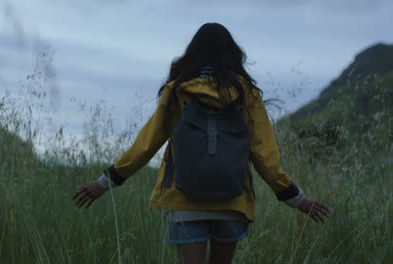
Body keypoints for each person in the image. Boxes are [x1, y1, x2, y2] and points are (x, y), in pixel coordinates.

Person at [72, 22, 330, 264]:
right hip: (233, 202)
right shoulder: (247, 94)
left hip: (185, 201)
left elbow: (146, 144)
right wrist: (297, 199)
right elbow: (265, 157)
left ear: (192, 55)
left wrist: (104, 182)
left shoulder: (177, 92)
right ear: (232, 55)